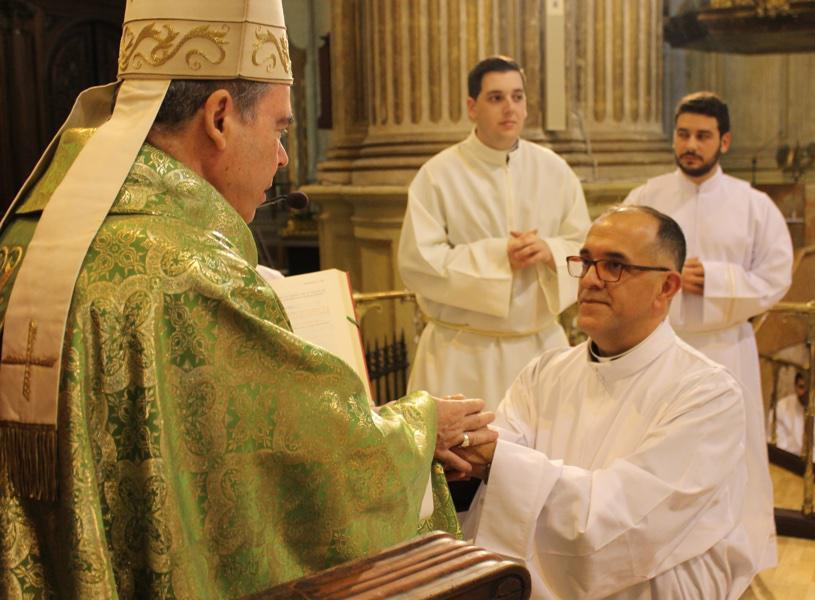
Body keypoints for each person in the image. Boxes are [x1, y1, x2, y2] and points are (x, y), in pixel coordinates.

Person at [0, 2, 496, 597]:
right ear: (219, 117)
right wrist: (421, 428)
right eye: (280, 127)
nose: (284, 155)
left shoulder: (28, 237)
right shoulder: (191, 272)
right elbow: (302, 467)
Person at [455, 206, 773, 599]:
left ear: (667, 287)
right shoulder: (546, 371)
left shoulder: (708, 393)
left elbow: (620, 522)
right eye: (586, 262)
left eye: (614, 266)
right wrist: (458, 446)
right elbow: (500, 455)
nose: (590, 279)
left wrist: (491, 457)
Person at [623, 92, 789, 575]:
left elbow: (775, 276)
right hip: (656, 352)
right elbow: (616, 261)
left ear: (725, 141)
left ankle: (735, 556)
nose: (690, 145)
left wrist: (714, 280)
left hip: (726, 351)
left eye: (702, 136)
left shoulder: (754, 206)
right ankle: (654, 553)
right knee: (657, 452)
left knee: (732, 457)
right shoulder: (645, 200)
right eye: (683, 134)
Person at [398, 56, 591, 411]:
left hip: (540, 349)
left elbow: (586, 250)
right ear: (472, 107)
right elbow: (419, 262)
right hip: (462, 352)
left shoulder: (555, 170)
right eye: (496, 98)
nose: (510, 108)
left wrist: (549, 251)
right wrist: (499, 257)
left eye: (517, 97)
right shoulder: (438, 175)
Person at [772, 372, 815, 467]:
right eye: (801, 387)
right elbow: (779, 443)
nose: (806, 392)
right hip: (785, 463)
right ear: (795, 387)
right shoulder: (782, 407)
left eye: (810, 388)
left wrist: (808, 463)